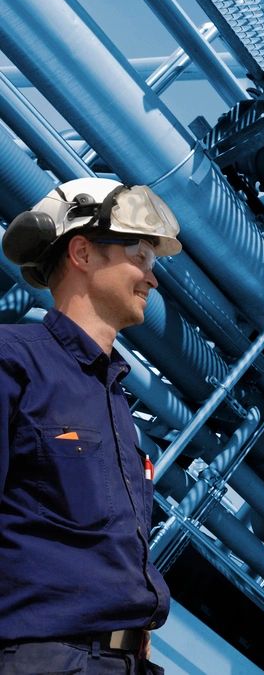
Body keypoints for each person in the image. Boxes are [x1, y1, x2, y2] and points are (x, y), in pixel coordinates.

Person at [0, 177, 182, 674]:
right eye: (140, 257)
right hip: (45, 658)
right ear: (82, 252)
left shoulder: (114, 399)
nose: (152, 277)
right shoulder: (13, 360)